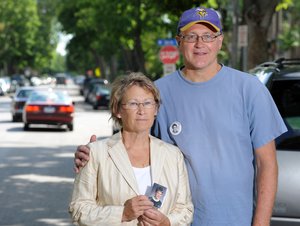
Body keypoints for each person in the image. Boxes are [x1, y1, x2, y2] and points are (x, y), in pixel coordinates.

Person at [74, 6, 287, 226]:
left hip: (236, 219)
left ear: (220, 40)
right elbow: (132, 143)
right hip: (173, 220)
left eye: (208, 36)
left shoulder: (249, 89)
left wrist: (261, 223)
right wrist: (93, 158)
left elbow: (267, 164)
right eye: (191, 36)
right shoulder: (157, 93)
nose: (200, 44)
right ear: (179, 41)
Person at [69, 72, 193, 226]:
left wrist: (167, 222)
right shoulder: (95, 153)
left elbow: (185, 209)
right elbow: (78, 209)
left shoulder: (173, 155)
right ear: (117, 110)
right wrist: (122, 213)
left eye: (148, 103)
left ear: (156, 109)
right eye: (133, 103)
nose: (141, 110)